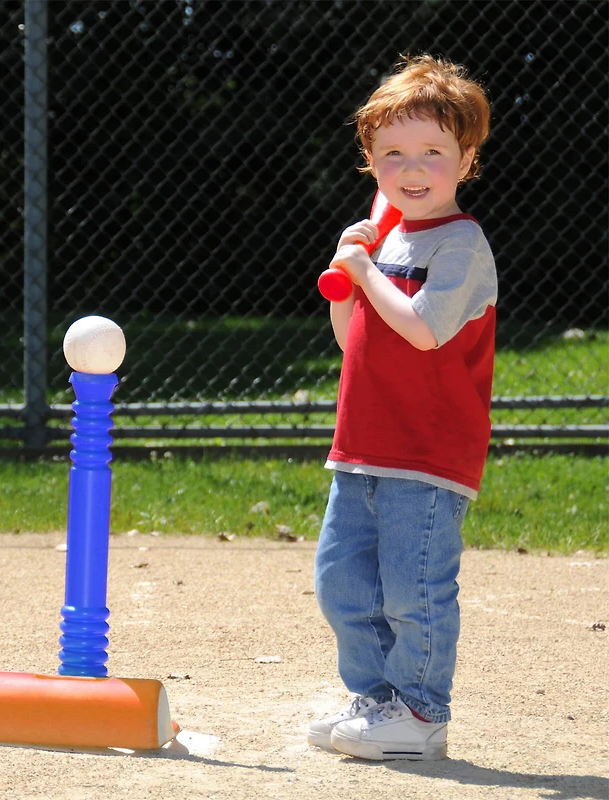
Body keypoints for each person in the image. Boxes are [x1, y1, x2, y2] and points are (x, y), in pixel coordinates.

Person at [309, 54, 497, 761]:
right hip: (362, 444)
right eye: (392, 154)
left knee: (412, 589)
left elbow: (422, 328)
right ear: (371, 160)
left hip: (428, 451)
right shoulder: (386, 239)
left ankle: (420, 713)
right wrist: (353, 276)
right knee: (342, 582)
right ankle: (374, 699)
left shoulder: (461, 243)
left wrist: (364, 271)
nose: (411, 169)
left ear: (465, 158)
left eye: (431, 153)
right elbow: (354, 337)